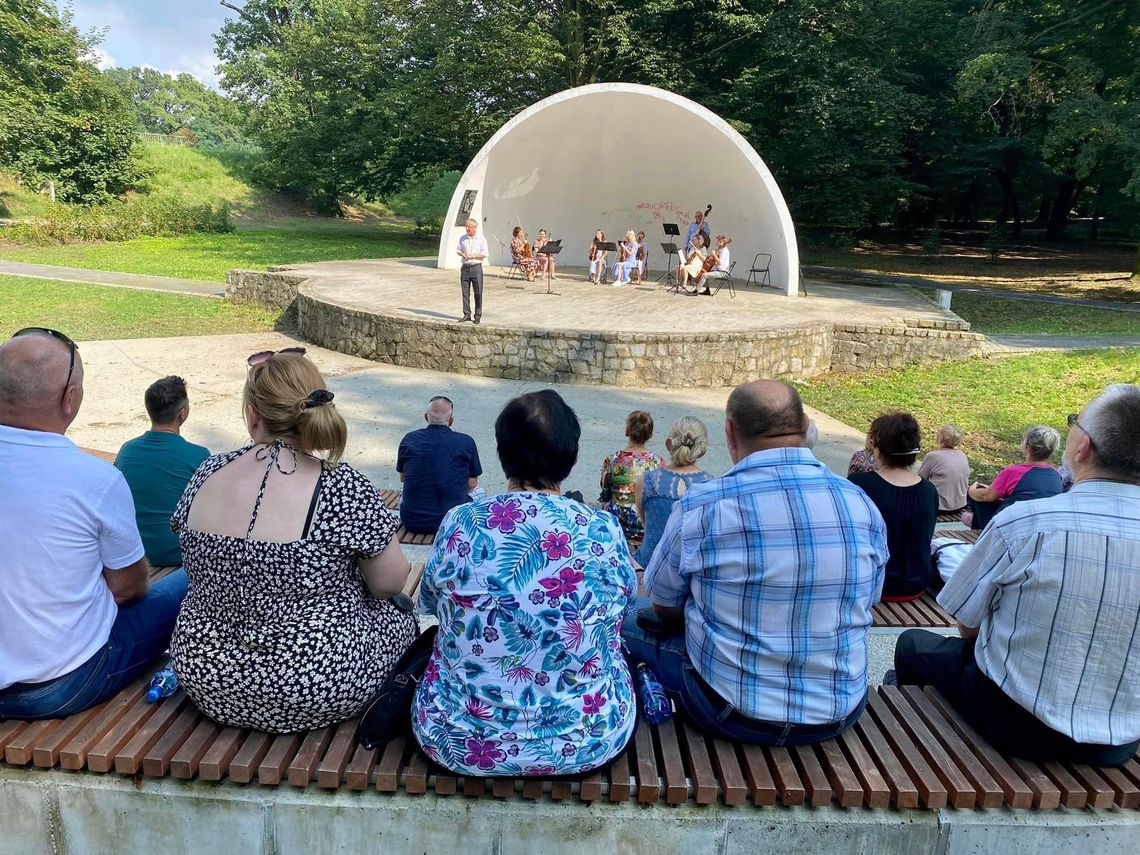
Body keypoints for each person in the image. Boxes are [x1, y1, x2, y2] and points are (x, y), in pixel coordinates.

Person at [623, 380, 888, 745]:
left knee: (623, 617)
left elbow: (663, 605)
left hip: (727, 709)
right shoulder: (860, 504)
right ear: (805, 423)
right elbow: (869, 599)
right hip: (838, 711)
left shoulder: (703, 506)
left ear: (729, 431)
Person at [169, 349, 417, 733]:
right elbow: (390, 583)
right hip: (314, 683)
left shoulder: (207, 472)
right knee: (401, 614)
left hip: (208, 676)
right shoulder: (340, 486)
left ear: (253, 416)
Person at [894, 384, 1140, 765]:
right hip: (1119, 742)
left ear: (1083, 448)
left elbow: (967, 626)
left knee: (912, 644)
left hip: (1015, 724)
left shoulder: (1027, 523)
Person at [412, 390, 637, 777]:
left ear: (501, 453)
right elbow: (624, 607)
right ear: (573, 455)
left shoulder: (461, 523)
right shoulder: (602, 528)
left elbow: (430, 603)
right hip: (587, 738)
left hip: (458, 738)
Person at [0, 328, 187, 720]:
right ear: (70, 398)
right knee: (187, 578)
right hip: (59, 685)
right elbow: (129, 589)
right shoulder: (93, 479)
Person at [115, 375, 210, 567]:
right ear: (182, 414)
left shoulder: (127, 450)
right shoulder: (198, 455)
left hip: (135, 553)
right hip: (178, 558)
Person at [848, 412, 939, 601]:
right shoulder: (929, 490)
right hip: (916, 582)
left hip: (873, 584)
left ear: (878, 448)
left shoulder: (860, 485)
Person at [633, 417, 713, 566]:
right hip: (688, 570)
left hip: (647, 565)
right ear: (702, 450)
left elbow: (647, 525)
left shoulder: (647, 480)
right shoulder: (710, 485)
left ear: (668, 444)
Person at [397, 395, 482, 535]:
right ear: (451, 421)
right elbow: (472, 484)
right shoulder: (466, 442)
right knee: (481, 492)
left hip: (412, 521)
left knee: (404, 493)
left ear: (426, 417)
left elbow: (403, 478)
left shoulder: (409, 439)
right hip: (454, 522)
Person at [964, 425, 1062, 529]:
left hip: (1013, 526)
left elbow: (985, 496)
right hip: (1043, 525)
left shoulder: (1013, 472)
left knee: (980, 495)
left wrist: (971, 490)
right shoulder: (1056, 475)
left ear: (1027, 447)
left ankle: (977, 526)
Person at [599, 410, 664, 551]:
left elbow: (605, 494)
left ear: (627, 430)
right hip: (645, 525)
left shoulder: (612, 460)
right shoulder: (658, 463)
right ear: (650, 435)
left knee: (603, 505)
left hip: (618, 524)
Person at [917, 424, 970, 514]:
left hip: (939, 507)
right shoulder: (962, 455)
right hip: (960, 505)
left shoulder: (933, 456)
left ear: (941, 439)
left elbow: (920, 480)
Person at [456, 218, 487, 325]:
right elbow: (458, 249)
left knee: (478, 292)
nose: (467, 228)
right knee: (465, 293)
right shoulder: (463, 238)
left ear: (474, 227)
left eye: (469, 227)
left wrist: (473, 255)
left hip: (476, 267)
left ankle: (477, 315)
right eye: (466, 226)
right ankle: (466, 314)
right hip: (465, 267)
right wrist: (462, 254)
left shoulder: (481, 239)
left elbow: (484, 254)